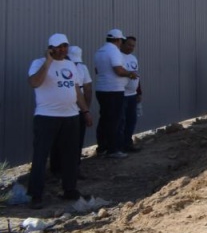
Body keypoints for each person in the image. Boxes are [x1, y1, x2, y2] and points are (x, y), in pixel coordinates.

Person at [28, 33, 92, 208]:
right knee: (41, 156)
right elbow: (34, 82)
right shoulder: (39, 64)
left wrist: (85, 110)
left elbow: (76, 91)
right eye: (58, 46)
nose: (62, 49)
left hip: (70, 116)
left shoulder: (71, 64)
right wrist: (48, 62)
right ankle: (36, 195)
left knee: (71, 155)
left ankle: (69, 189)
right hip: (46, 117)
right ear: (50, 48)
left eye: (65, 46)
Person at [50, 45, 93, 178]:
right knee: (74, 140)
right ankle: (72, 168)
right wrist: (86, 109)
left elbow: (87, 89)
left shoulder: (60, 66)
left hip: (63, 109)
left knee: (60, 140)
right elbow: (87, 89)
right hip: (70, 110)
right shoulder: (81, 67)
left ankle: (58, 169)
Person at [93, 29, 137, 158]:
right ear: (118, 40)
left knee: (105, 119)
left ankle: (102, 147)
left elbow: (97, 70)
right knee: (115, 120)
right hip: (113, 90)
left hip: (102, 89)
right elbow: (118, 69)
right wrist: (130, 73)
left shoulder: (100, 51)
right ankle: (114, 149)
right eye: (122, 41)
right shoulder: (114, 51)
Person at [119, 36, 142, 152]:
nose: (131, 48)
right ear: (122, 44)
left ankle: (128, 144)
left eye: (133, 46)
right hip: (122, 94)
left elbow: (136, 75)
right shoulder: (118, 57)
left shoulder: (133, 58)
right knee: (120, 121)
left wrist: (139, 92)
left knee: (131, 120)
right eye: (129, 45)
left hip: (132, 94)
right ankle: (119, 146)